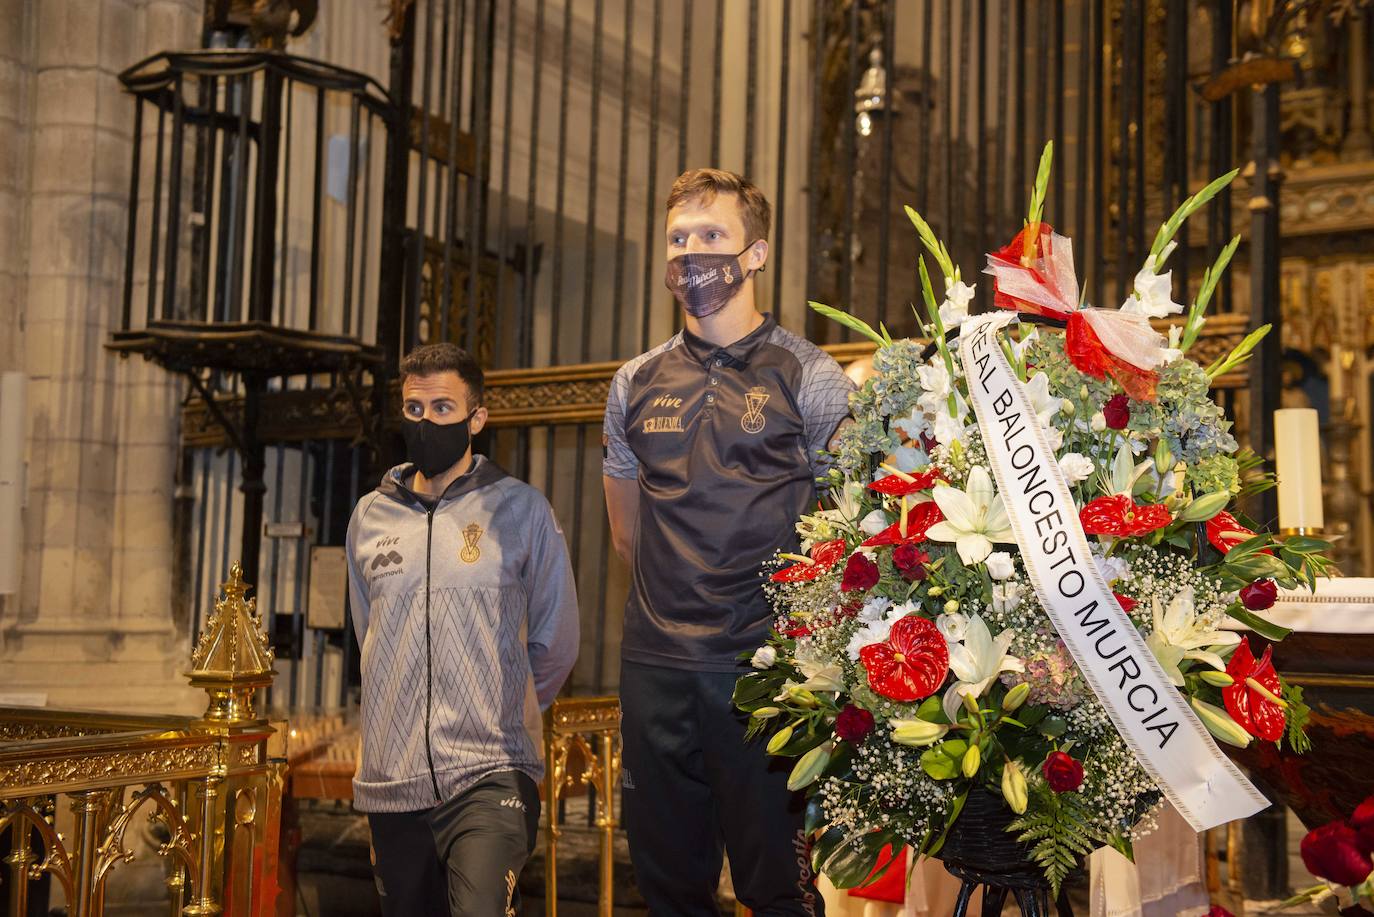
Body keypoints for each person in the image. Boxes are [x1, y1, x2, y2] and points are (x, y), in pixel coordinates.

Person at [603, 168, 855, 916]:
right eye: (678, 239)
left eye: (711, 236)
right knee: (670, 890)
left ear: (756, 254)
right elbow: (626, 533)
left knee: (775, 889)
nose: (690, 253)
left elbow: (844, 530)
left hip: (762, 670)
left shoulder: (809, 375)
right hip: (656, 665)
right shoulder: (633, 381)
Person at [347, 343, 580, 917]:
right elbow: (369, 634)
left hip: (489, 772)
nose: (426, 424)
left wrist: (505, 704)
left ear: (476, 418)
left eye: (443, 409)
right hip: (391, 779)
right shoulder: (369, 516)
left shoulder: (520, 510)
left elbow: (556, 640)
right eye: (415, 410)